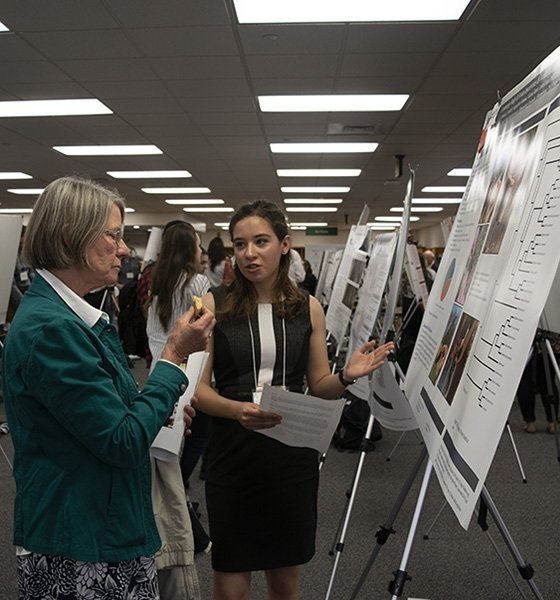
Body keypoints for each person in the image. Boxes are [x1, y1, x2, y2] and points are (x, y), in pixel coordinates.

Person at [2, 176, 215, 600]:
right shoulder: (53, 329)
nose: (124, 249)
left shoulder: (69, 316)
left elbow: (102, 416)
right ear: (70, 236)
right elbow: (120, 440)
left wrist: (162, 410)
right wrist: (172, 359)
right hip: (82, 540)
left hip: (93, 525)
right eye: (113, 235)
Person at [196, 200, 394, 600]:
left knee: (285, 574)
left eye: (261, 241)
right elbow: (199, 391)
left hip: (291, 452)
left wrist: (345, 376)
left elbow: (319, 384)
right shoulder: (214, 304)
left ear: (285, 245)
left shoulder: (309, 307)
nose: (249, 253)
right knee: (231, 570)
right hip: (233, 450)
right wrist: (239, 412)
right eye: (240, 244)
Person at [146, 221, 212, 599]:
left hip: (158, 370)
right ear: (190, 246)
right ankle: (187, 522)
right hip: (186, 370)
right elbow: (202, 330)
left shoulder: (158, 280)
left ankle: (184, 517)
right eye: (200, 244)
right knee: (190, 444)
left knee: (166, 455)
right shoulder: (196, 283)